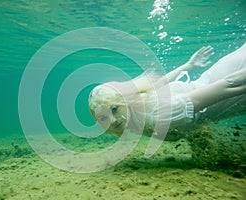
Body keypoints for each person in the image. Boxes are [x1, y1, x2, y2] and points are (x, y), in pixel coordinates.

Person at [89, 43, 246, 139]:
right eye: (103, 117)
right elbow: (157, 84)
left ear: (126, 99)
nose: (113, 120)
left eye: (114, 109)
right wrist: (188, 65)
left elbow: (226, 86)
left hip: (228, 77)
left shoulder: (158, 115)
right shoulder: (136, 110)